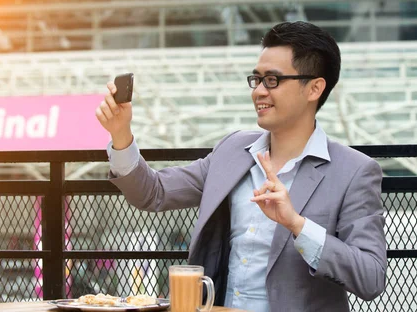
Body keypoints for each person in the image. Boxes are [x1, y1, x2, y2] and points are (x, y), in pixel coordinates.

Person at [95, 21, 387, 312]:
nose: (259, 91)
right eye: (256, 79)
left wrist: (296, 225)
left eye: (272, 80)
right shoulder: (232, 151)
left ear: (314, 88)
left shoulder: (354, 171)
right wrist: (121, 136)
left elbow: (371, 277)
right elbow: (154, 193)